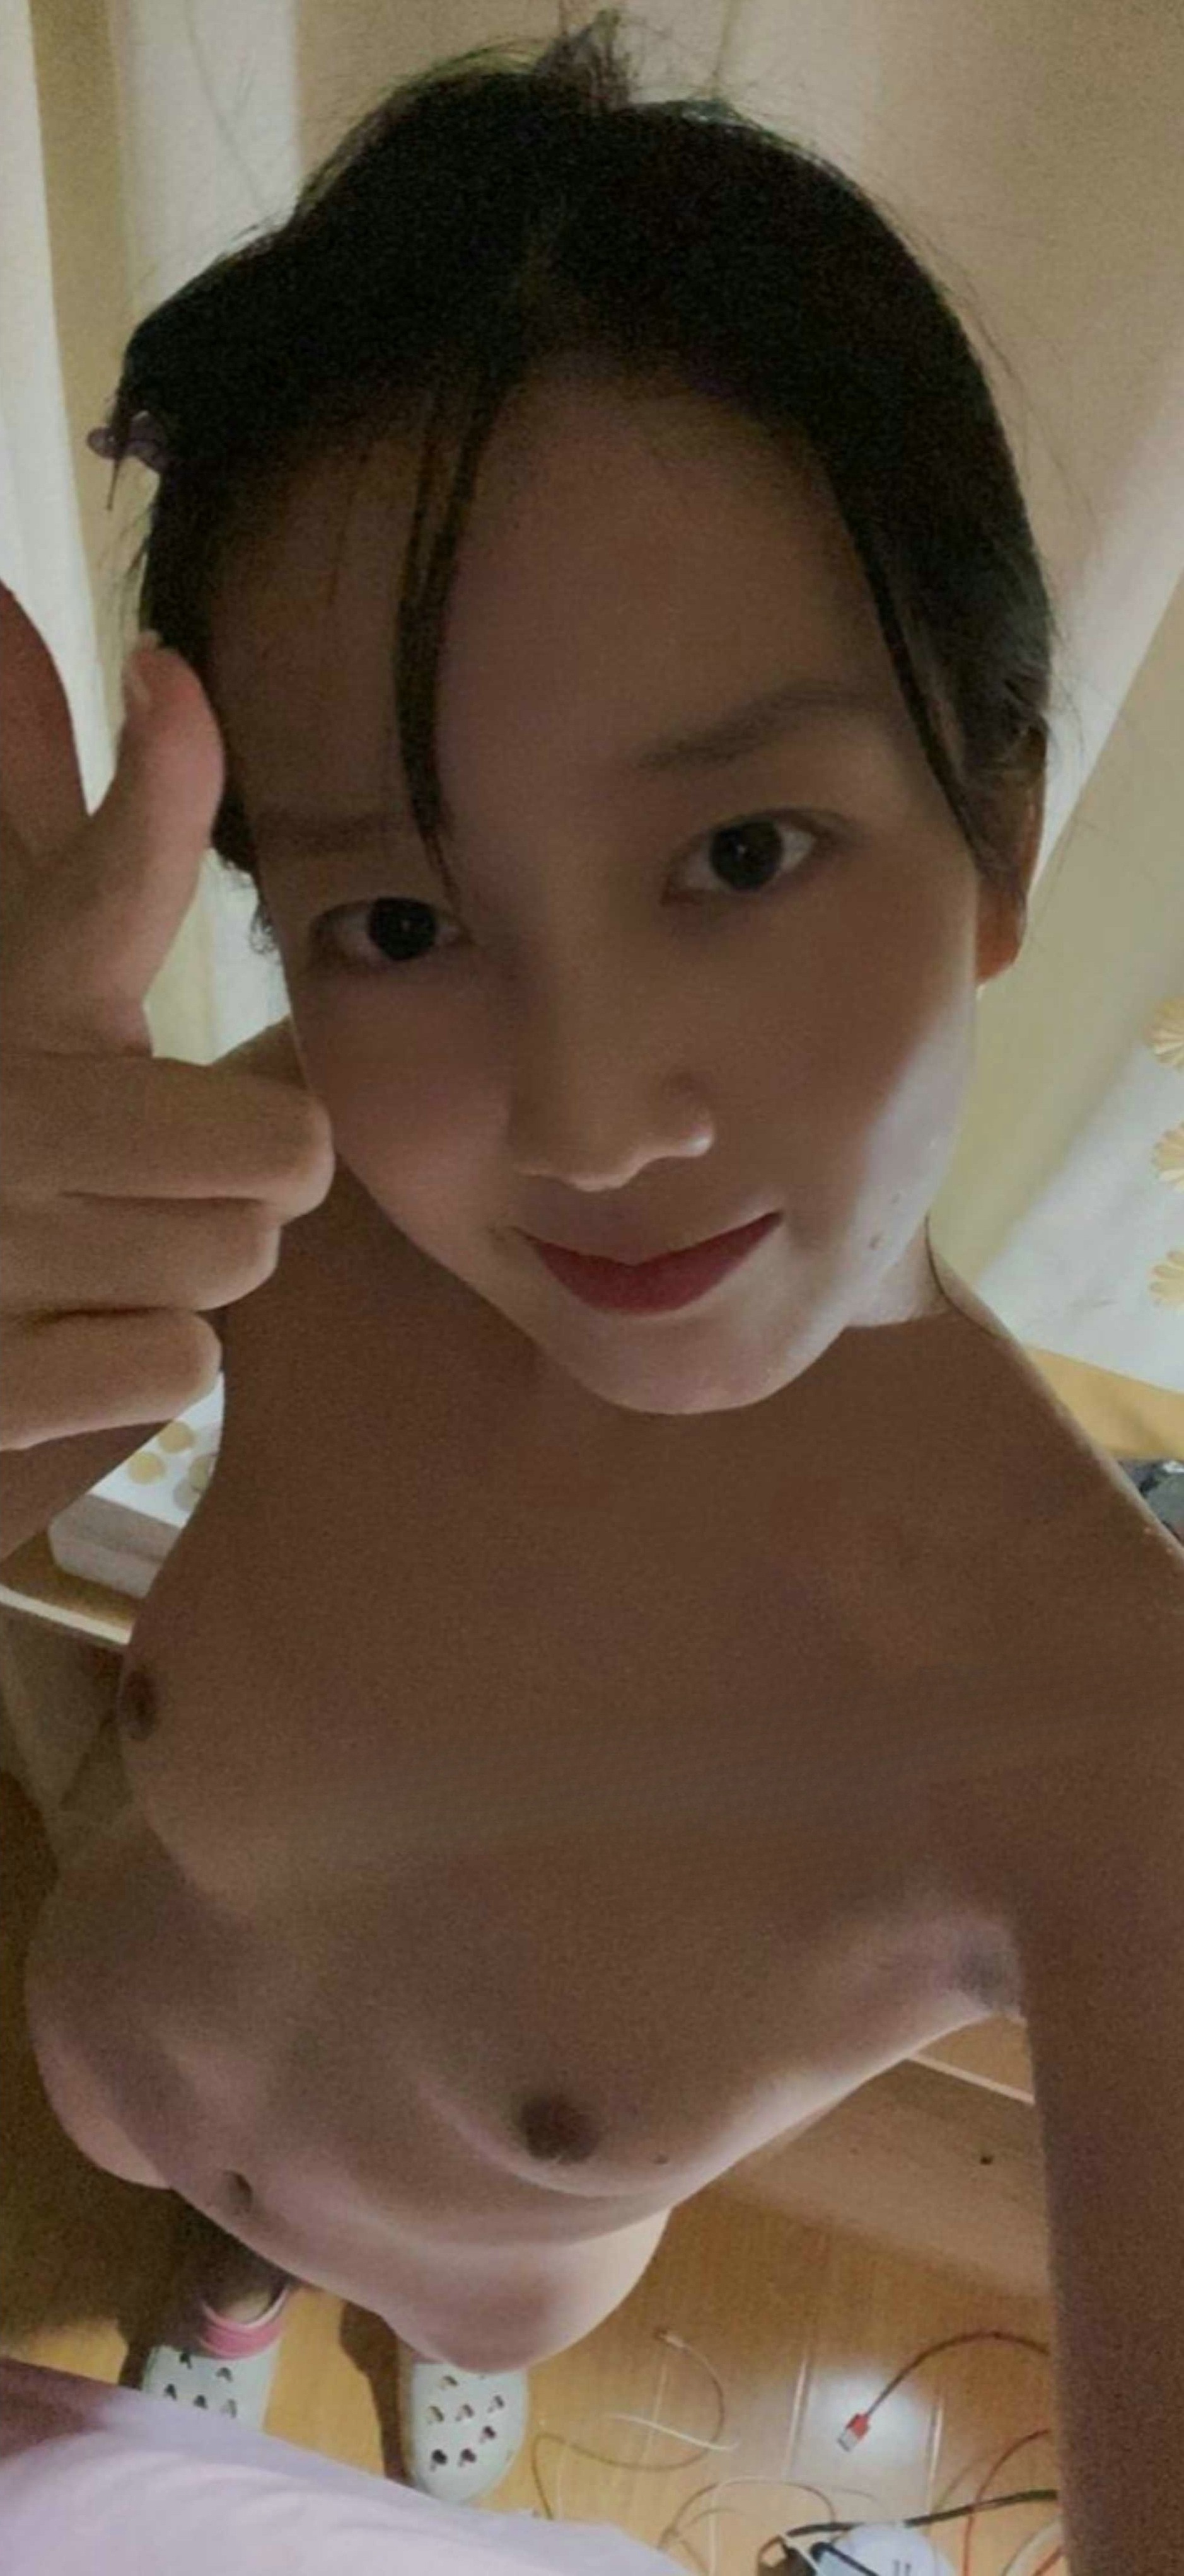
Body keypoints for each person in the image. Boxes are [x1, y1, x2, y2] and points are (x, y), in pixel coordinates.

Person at [2, 13, 1181, 2565]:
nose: (586, 1119)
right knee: (209, 2250)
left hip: (487, 2267)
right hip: (113, 2060)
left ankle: (395, 2330)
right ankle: (228, 2283)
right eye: (398, 919)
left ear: (994, 814)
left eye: (738, 853)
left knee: (434, 2300)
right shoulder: (262, 1190)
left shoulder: (1106, 1737)